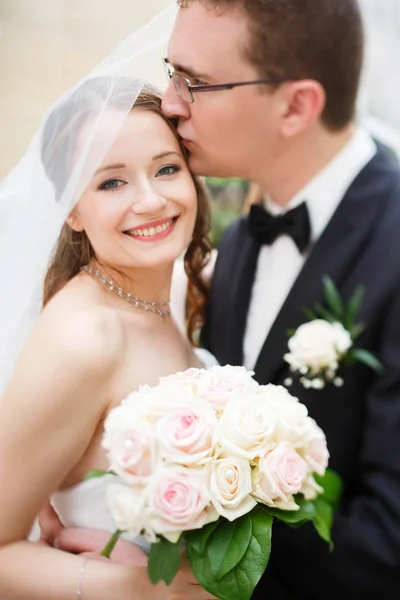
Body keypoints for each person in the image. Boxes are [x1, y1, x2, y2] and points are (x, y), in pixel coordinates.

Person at [40, 1, 400, 598]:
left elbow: (387, 548)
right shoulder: (237, 245)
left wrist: (177, 566)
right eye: (170, 71)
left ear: (296, 105)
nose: (171, 100)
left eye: (196, 82)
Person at [0, 71, 220, 599]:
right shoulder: (83, 336)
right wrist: (147, 588)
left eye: (166, 169)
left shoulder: (165, 294)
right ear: (72, 210)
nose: (149, 201)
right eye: (111, 182)